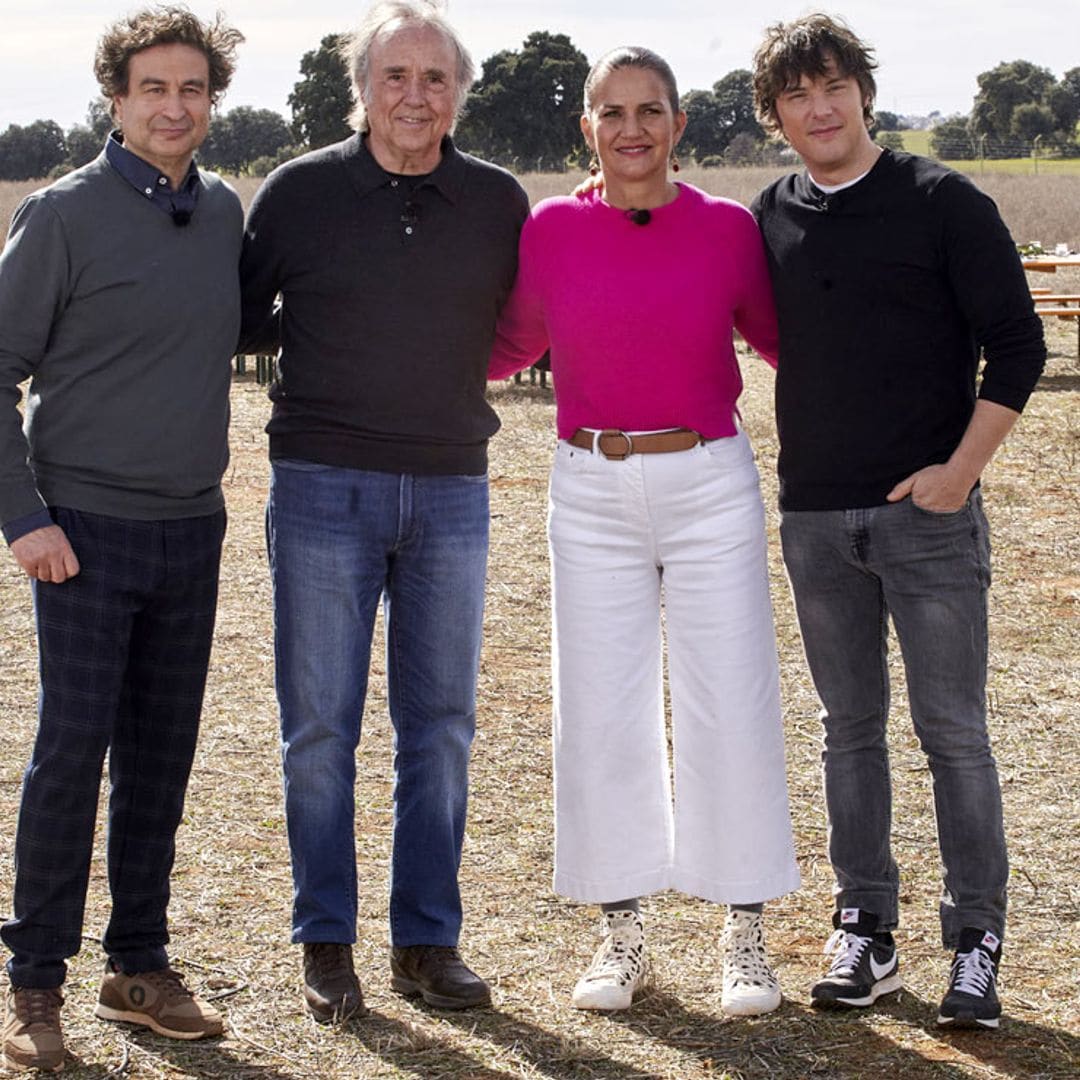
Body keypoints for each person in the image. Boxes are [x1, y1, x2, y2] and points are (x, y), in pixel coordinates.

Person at [489, 46, 800, 1015]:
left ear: (678, 123)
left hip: (710, 481)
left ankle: (743, 933)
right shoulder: (548, 232)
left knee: (731, 696)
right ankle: (622, 933)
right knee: (599, 705)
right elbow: (503, 350)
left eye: (650, 111)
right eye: (612, 112)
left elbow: (793, 345)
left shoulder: (727, 230)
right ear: (588, 127)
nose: (632, 129)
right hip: (589, 487)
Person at [750, 14, 1046, 1030]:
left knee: (953, 731)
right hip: (816, 518)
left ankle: (976, 944)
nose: (819, 107)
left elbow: (1017, 346)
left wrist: (961, 472)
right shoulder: (769, 215)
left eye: (834, 86)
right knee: (848, 732)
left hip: (929, 519)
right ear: (776, 114)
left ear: (864, 93)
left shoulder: (942, 201)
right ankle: (866, 928)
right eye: (797, 94)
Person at [239, 0, 528, 1023]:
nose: (416, 96)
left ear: (459, 93)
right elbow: (235, 315)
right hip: (322, 486)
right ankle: (326, 939)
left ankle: (427, 942)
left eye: (436, 78)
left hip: (452, 488)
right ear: (361, 87)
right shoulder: (299, 192)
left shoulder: (497, 202)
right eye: (396, 76)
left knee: (440, 729)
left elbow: (529, 323)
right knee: (319, 728)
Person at [0, 5, 245, 1071]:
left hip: (192, 529)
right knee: (72, 754)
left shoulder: (227, 211)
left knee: (162, 760)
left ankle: (138, 966)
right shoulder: (62, 214)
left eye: (192, 89)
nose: (174, 107)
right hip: (83, 534)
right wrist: (26, 519)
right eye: (154, 88)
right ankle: (32, 984)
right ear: (116, 96)